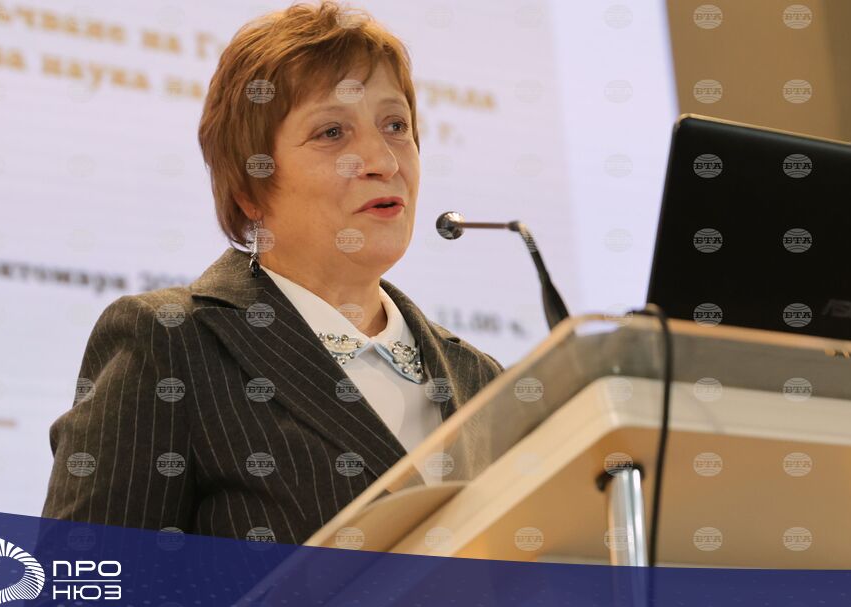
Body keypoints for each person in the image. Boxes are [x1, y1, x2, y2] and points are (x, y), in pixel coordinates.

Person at [40, 1, 504, 545]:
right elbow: (79, 584)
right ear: (250, 187)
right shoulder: (172, 342)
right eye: (332, 132)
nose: (384, 160)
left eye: (396, 125)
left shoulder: (481, 381)